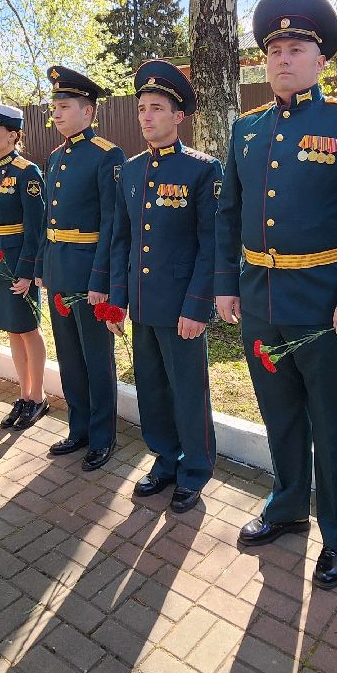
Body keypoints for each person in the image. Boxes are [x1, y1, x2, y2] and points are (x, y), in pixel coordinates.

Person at [215, 0, 337, 589]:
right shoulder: (246, 129)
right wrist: (227, 286)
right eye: (275, 50)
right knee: (281, 413)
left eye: (297, 48)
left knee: (334, 420)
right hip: (261, 300)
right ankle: (290, 503)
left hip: (326, 305)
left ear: (321, 60)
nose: (284, 59)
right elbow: (228, 213)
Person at [107, 60, 221, 513]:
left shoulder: (202, 170)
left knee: (188, 389)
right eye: (141, 109)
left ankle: (194, 469)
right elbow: (122, 239)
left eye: (156, 108)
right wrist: (117, 301)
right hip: (141, 303)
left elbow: (212, 245)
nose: (146, 116)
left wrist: (198, 307)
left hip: (181, 307)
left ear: (178, 116)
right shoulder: (130, 172)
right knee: (152, 386)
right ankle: (165, 459)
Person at [39, 66, 126, 470]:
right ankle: (79, 429)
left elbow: (112, 224)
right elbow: (47, 220)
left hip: (89, 274)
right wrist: (42, 266)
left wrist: (101, 280)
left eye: (64, 106)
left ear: (88, 112)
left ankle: (103, 437)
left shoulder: (107, 155)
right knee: (70, 357)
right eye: (54, 107)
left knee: (96, 357)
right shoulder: (55, 157)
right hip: (59, 271)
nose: (55, 114)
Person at [0, 103, 48, 430]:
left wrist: (29, 271)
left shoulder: (27, 173)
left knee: (28, 328)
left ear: (13, 135)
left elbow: (37, 227)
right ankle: (24, 393)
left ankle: (38, 396)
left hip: (17, 264)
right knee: (12, 329)